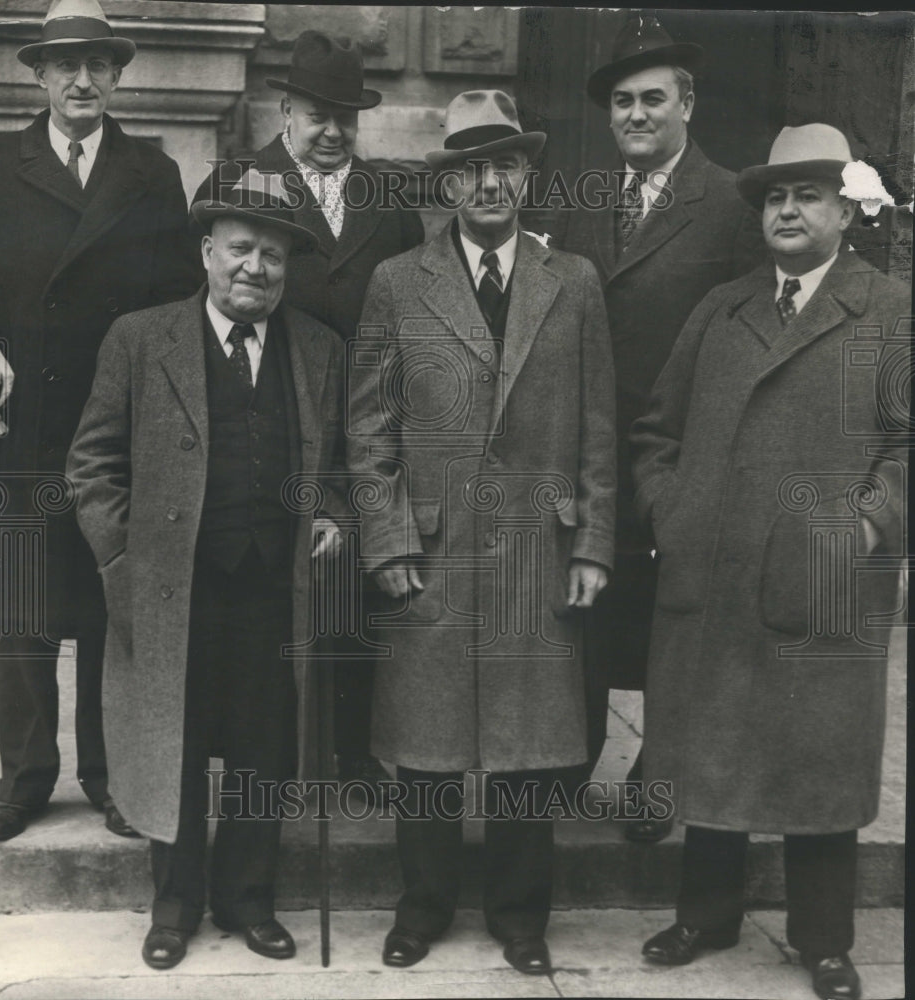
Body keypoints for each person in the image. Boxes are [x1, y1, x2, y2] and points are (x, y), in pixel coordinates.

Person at [631, 124, 908, 1000]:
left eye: (809, 195)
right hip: (712, 570)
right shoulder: (723, 308)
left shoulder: (889, 310)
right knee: (715, 749)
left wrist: (867, 526)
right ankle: (705, 917)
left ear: (846, 211)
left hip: (823, 576)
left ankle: (824, 940)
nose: (788, 211)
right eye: (776, 198)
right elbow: (655, 432)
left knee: (816, 759)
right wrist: (669, 512)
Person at [346, 90, 617, 975]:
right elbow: (371, 426)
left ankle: (519, 915)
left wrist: (593, 543)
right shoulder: (399, 282)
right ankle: (421, 907)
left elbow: (600, 426)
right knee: (424, 749)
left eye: (504, 165)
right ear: (448, 185)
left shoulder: (570, 281)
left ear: (527, 174)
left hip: (539, 548)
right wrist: (386, 540)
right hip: (435, 546)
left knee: (527, 752)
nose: (489, 182)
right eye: (469, 169)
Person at [67, 171, 347, 970]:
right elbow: (91, 463)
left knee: (263, 747)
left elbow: (341, 466)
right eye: (238, 250)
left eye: (271, 254)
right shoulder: (140, 337)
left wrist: (331, 513)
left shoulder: (319, 349)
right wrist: (121, 554)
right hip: (171, 589)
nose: (254, 268)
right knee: (174, 744)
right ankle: (176, 904)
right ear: (206, 253)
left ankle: (248, 899)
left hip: (272, 589)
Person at [0, 0, 197, 843]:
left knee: (111, 598)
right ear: (37, 74)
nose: (82, 79)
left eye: (98, 64)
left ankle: (109, 775)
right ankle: (25, 779)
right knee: (26, 604)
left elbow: (180, 298)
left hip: (115, 421)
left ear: (119, 75)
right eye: (64, 64)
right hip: (24, 416)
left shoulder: (152, 172)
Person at [194, 29, 425, 794]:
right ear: (286, 107)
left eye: (347, 117)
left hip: (367, 423)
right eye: (318, 114)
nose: (332, 131)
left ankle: (355, 752)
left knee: (357, 586)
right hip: (274, 411)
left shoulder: (387, 196)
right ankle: (276, 751)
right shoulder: (240, 179)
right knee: (278, 589)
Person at [552, 15, 765, 842]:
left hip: (678, 451)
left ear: (687, 105)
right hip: (588, 448)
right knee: (585, 603)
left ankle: (659, 774)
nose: (635, 116)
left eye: (652, 99)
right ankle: (577, 756)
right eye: (622, 104)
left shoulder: (732, 201)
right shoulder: (584, 200)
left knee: (676, 619)